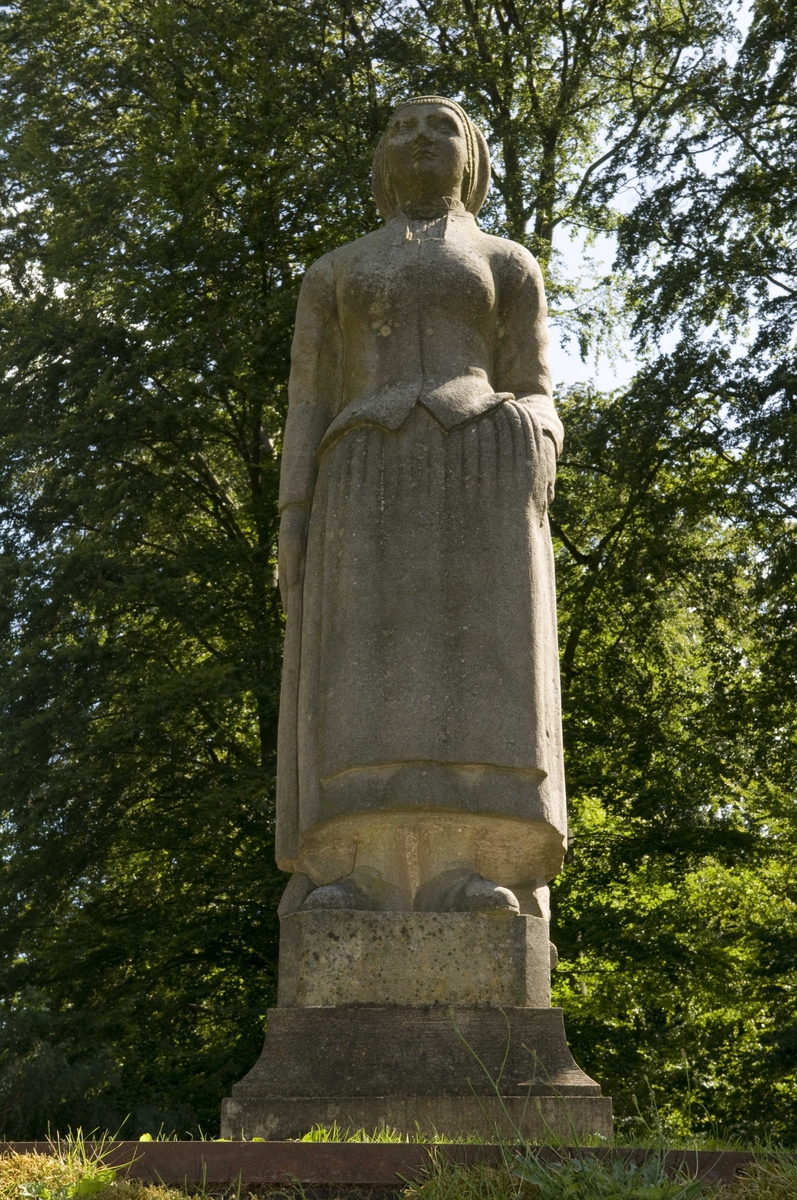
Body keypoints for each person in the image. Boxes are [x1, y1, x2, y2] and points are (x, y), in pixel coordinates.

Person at [276, 96, 566, 916]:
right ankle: (353, 870)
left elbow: (535, 385)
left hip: (480, 466)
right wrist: (292, 511)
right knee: (357, 672)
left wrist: (529, 444)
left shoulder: (506, 260)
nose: (421, 138)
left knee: (482, 674)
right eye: (402, 127)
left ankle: (475, 863)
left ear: (471, 155)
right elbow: (307, 401)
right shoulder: (334, 271)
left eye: (441, 126)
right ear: (378, 162)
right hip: (362, 468)